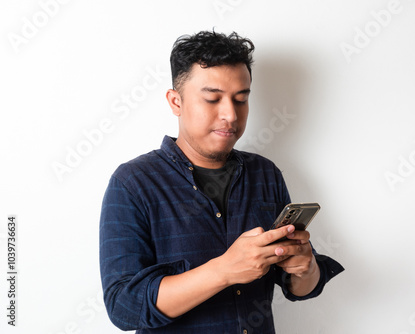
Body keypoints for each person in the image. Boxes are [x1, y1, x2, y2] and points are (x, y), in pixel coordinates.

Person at [99, 30, 344, 333]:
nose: (230, 114)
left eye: (241, 99)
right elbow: (123, 307)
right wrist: (223, 271)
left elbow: (301, 287)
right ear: (176, 102)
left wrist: (305, 268)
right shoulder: (132, 183)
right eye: (212, 99)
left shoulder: (265, 174)